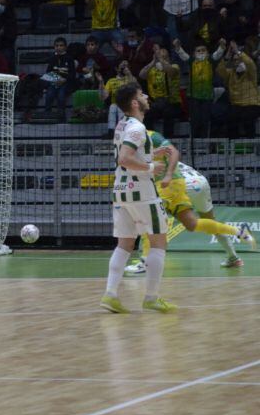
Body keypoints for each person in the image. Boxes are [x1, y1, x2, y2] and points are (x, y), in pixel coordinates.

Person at [125, 130, 255, 274]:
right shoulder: (152, 148)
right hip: (199, 181)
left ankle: (145, 261)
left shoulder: (139, 154)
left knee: (150, 219)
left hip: (179, 184)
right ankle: (233, 256)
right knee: (206, 222)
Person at [100, 84, 174, 314]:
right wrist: (151, 166)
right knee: (159, 242)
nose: (146, 97)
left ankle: (110, 295)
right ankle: (151, 297)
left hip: (121, 191)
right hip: (141, 191)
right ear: (134, 103)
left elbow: (131, 153)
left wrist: (152, 154)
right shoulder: (138, 127)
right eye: (142, 95)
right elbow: (124, 158)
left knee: (125, 243)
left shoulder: (123, 125)